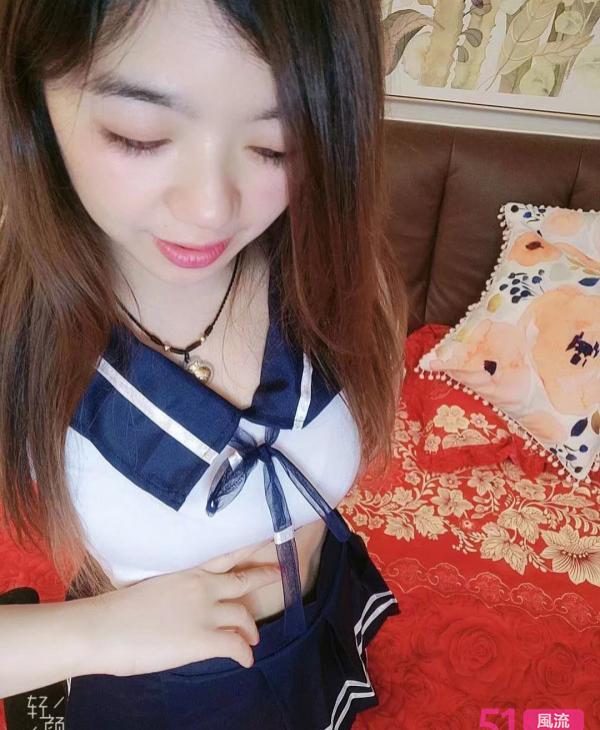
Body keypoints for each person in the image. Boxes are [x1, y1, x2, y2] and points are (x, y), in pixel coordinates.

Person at [0, 0, 408, 727]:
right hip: (158, 690)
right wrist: (98, 633)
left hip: (314, 628)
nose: (212, 210)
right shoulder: (17, 329)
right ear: (32, 97)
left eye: (276, 146)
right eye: (140, 136)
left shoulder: (329, 271)